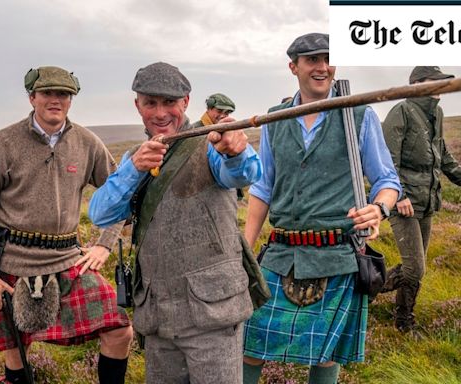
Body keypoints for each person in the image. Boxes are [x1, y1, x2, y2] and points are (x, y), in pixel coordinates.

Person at [242, 33, 401, 384]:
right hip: (281, 253)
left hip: (337, 254)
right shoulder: (274, 119)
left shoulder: (359, 114)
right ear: (293, 67)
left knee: (326, 357)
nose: (322, 67)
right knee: (248, 344)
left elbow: (388, 180)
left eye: (328, 59)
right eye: (312, 59)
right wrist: (245, 253)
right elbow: (263, 187)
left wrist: (379, 208)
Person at [88, 62, 262, 383]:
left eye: (169, 102)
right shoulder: (133, 159)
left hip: (212, 315)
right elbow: (100, 213)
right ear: (137, 105)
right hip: (157, 319)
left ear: (186, 102)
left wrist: (236, 151)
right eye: (150, 103)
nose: (160, 112)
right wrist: (133, 170)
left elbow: (243, 174)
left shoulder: (209, 145)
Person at [0, 66, 133, 384]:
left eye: (64, 94)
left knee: (120, 330)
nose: (56, 100)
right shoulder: (2, 144)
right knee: (14, 347)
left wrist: (103, 243)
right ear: (32, 98)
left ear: (71, 100)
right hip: (12, 265)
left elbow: (119, 197)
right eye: (48, 93)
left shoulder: (87, 143)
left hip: (68, 262)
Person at [381, 66, 461, 333]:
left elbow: (444, 157)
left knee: (415, 266)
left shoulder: (436, 113)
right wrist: (399, 195)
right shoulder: (401, 112)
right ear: (416, 84)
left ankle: (372, 291)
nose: (440, 87)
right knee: (415, 269)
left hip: (427, 201)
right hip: (403, 203)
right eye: (434, 82)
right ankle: (403, 322)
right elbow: (387, 161)